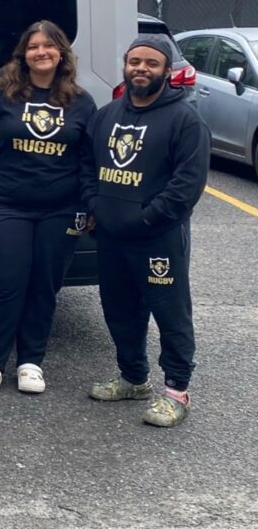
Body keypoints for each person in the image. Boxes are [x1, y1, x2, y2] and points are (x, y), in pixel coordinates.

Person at [84, 36, 210, 427]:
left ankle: (176, 391)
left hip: (158, 238)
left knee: (170, 313)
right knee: (120, 311)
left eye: (151, 63)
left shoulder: (185, 121)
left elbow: (186, 186)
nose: (141, 69)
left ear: (167, 71)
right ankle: (134, 378)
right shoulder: (106, 116)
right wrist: (95, 206)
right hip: (111, 236)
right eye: (135, 61)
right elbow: (86, 167)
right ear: (125, 65)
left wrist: (146, 218)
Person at [0, 20, 96, 396]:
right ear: (23, 53)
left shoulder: (81, 101)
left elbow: (87, 159)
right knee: (4, 285)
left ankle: (30, 363)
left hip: (60, 209)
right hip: (6, 205)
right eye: (34, 46)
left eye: (49, 46)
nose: (41, 52)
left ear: (61, 53)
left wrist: (90, 205)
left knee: (44, 287)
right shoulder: (1, 95)